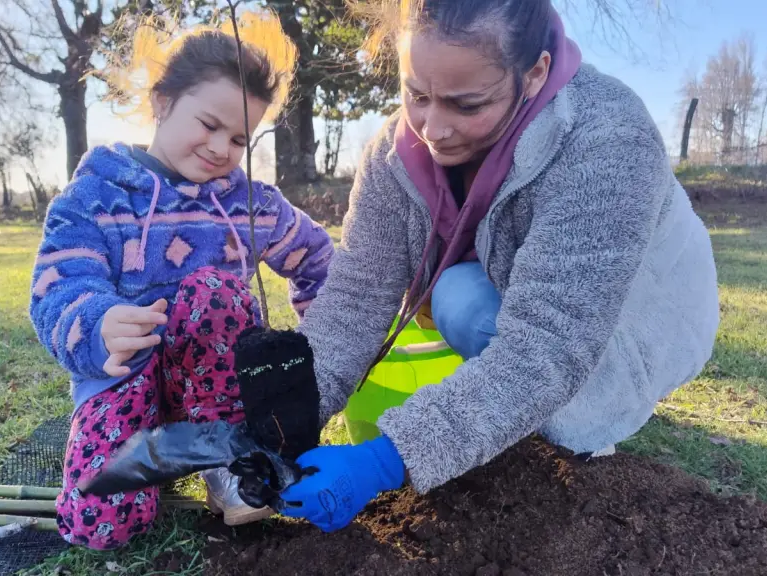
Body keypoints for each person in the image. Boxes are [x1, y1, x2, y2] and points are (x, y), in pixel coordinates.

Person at [268, 0, 720, 532]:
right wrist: (287, 419)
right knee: (458, 297)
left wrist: (388, 459)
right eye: (416, 94)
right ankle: (499, 415)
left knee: (473, 313)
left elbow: (550, 340)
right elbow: (356, 299)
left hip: (642, 310)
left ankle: (577, 433)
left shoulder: (605, 135)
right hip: (508, 292)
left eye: (466, 105)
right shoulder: (393, 153)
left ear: (535, 74)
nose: (432, 128)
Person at [28, 15, 333, 549]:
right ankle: (126, 467)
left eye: (239, 138)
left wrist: (326, 336)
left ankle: (226, 459)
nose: (222, 148)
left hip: (220, 392)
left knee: (215, 294)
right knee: (104, 528)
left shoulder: (250, 205)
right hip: (125, 379)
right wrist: (97, 324)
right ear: (163, 101)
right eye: (209, 124)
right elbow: (57, 284)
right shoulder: (96, 195)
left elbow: (320, 259)